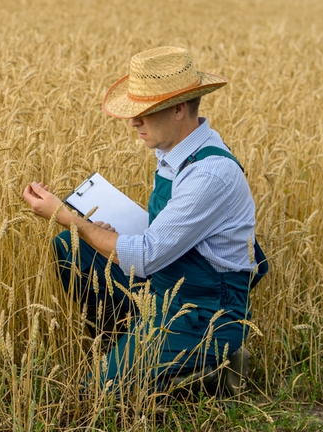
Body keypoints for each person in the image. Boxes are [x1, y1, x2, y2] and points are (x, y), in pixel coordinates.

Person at [22, 46, 268, 393]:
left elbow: (148, 255)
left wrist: (68, 217)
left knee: (97, 394)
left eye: (145, 112)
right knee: (71, 247)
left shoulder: (209, 174)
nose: (133, 121)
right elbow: (165, 240)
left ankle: (212, 365)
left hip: (205, 309)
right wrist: (99, 234)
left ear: (179, 109)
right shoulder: (174, 151)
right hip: (166, 284)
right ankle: (135, 345)